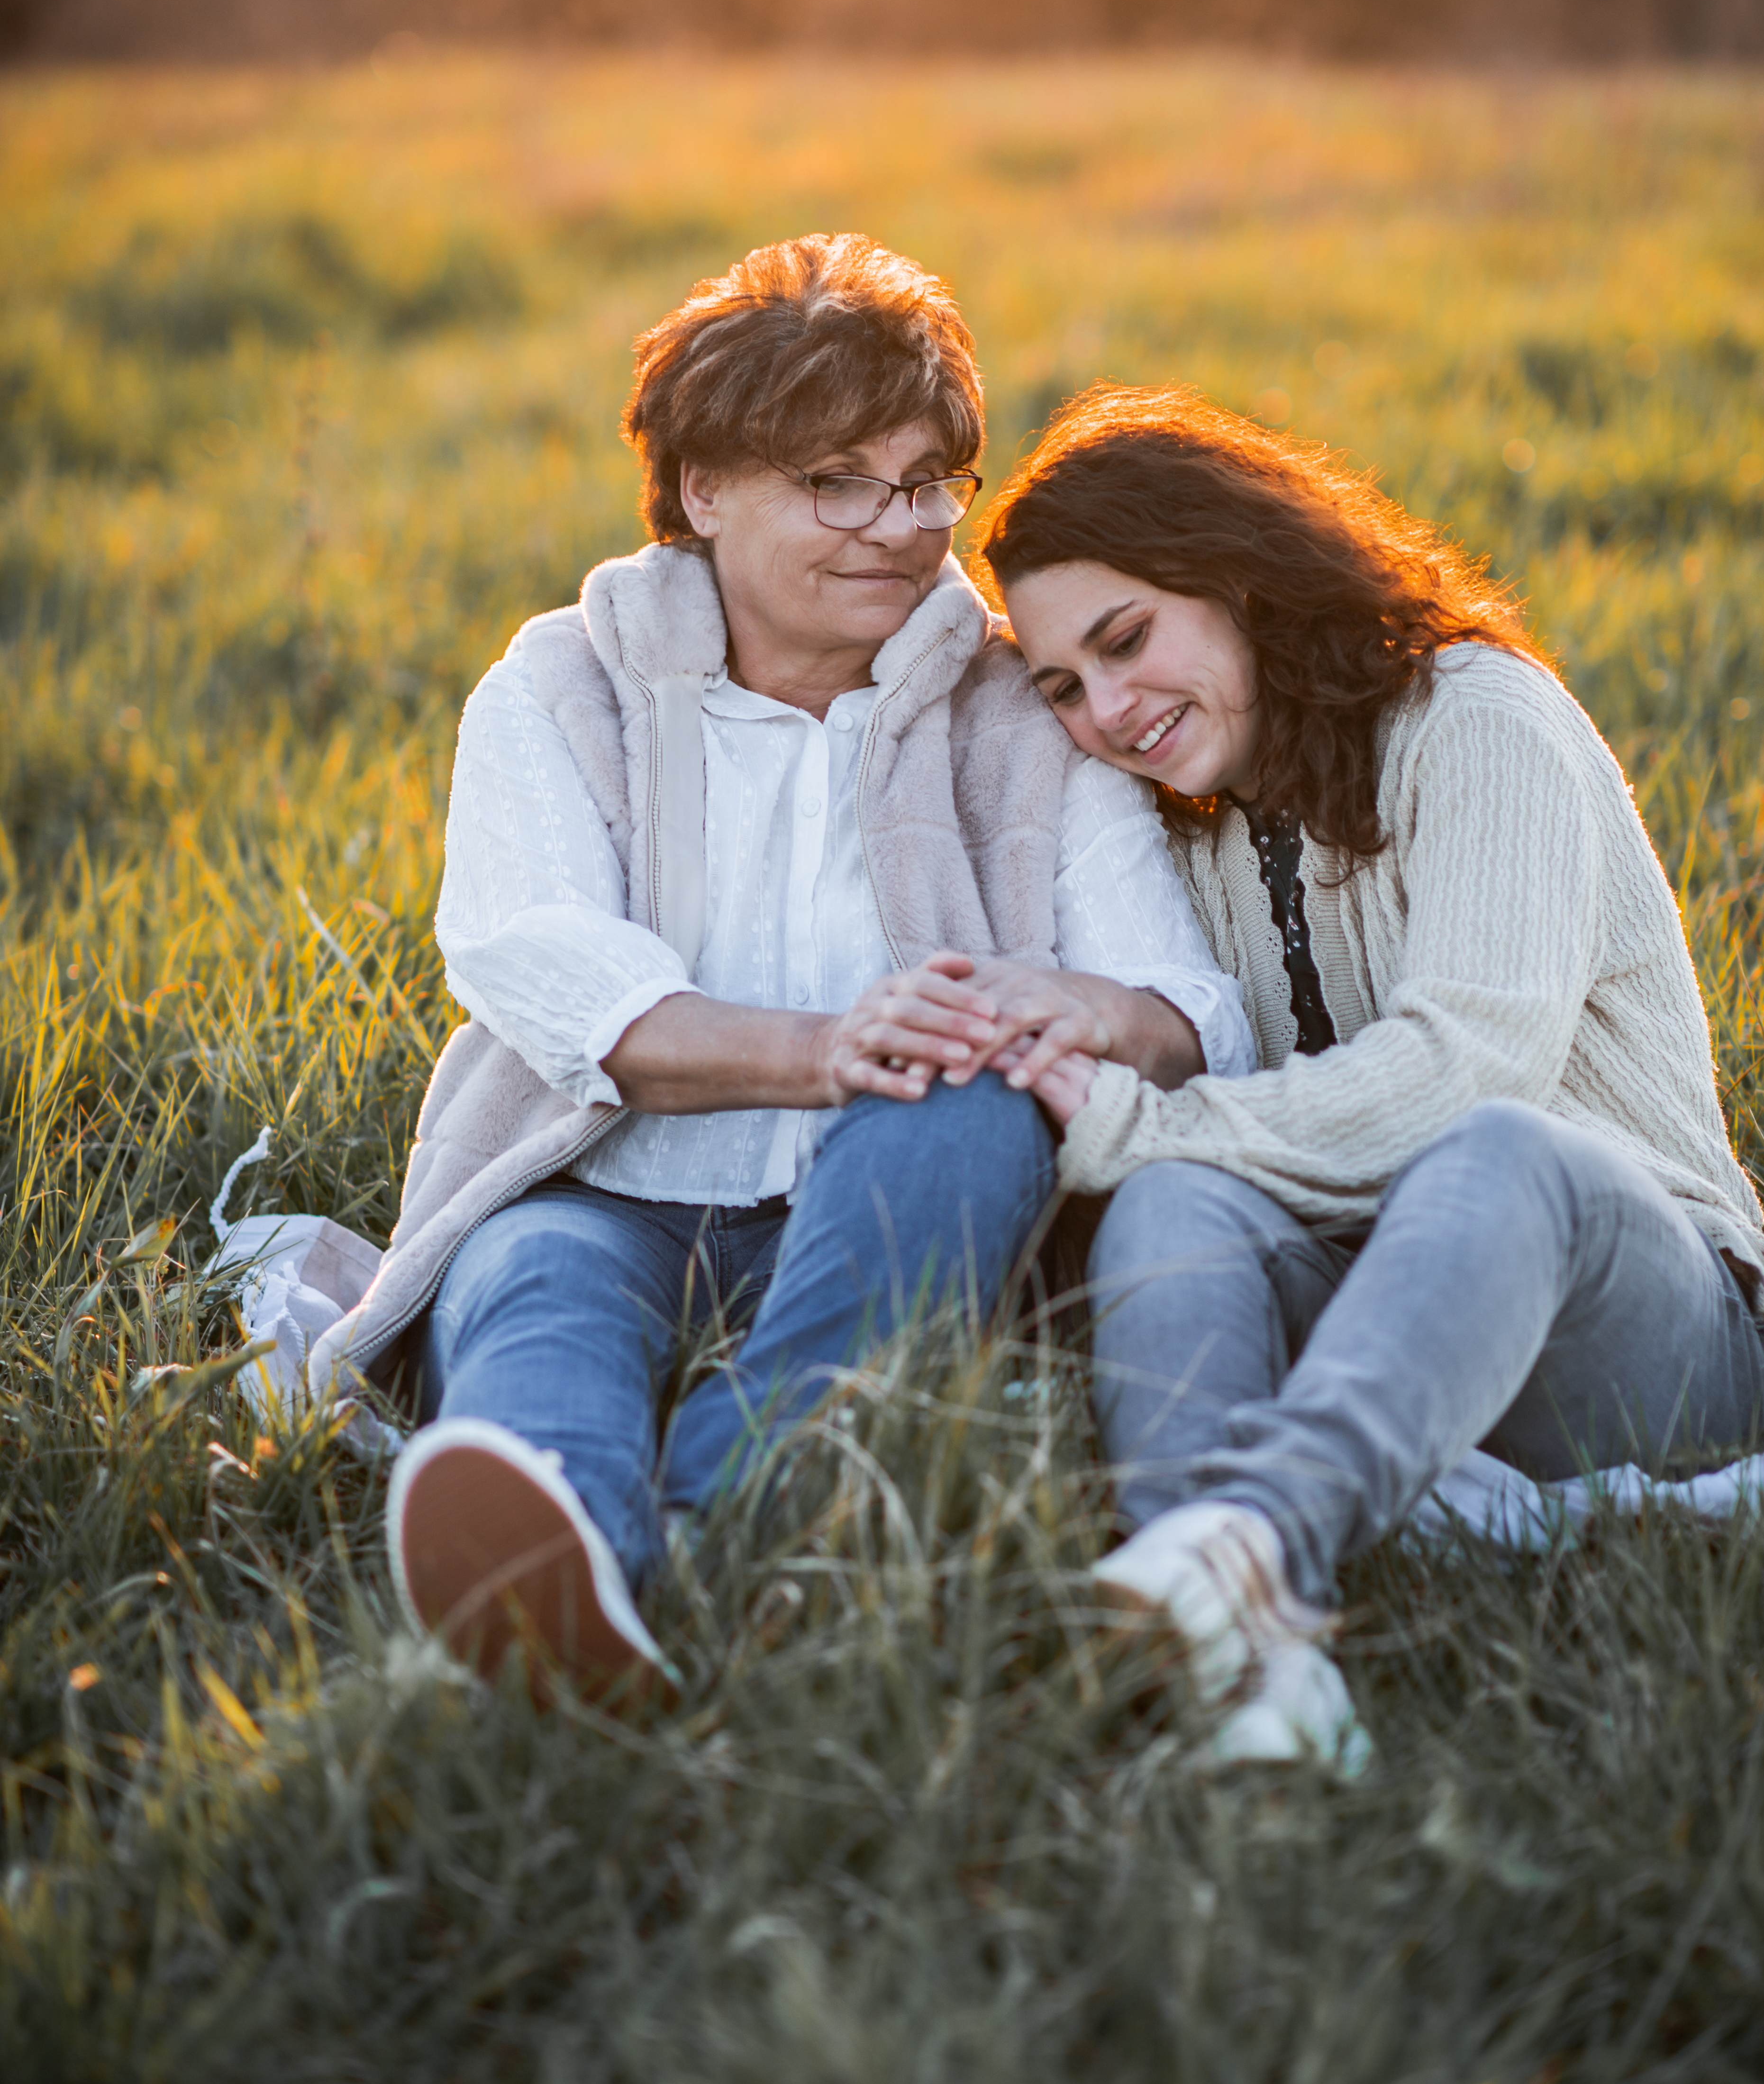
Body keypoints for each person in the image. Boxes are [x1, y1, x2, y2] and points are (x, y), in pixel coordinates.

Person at [311, 244, 1248, 1698]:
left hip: (895, 1189)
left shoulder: (1022, 706)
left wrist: (1074, 1007)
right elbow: (539, 961)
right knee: (533, 1281)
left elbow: (1193, 1011)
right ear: (704, 493)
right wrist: (827, 1045)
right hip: (604, 1185)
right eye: (838, 482)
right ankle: (542, 1530)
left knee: (967, 1110)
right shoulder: (564, 683)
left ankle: (699, 1533)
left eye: (931, 479)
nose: (900, 527)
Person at [981, 384, 1764, 1771]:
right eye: (1063, 686)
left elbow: (1463, 1072)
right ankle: (1247, 1665)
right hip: (1392, 1333)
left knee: (1495, 1146)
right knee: (1173, 1202)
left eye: (1125, 640)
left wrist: (1134, 1123)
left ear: (1236, 575)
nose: (1108, 711)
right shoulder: (1189, 836)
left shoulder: (1480, 722)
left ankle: (1257, 1534)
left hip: (1644, 1337)